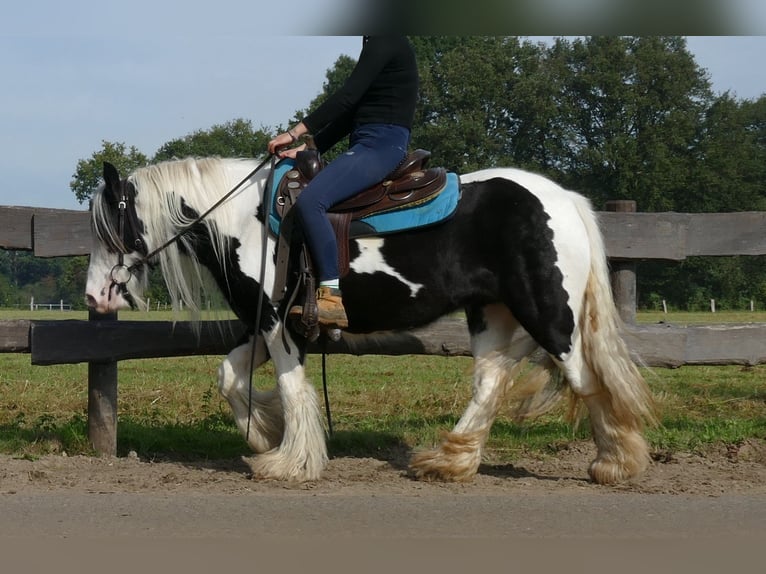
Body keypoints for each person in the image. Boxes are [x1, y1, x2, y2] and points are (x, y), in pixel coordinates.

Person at [267, 36, 419, 330]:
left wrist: (295, 132)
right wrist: (313, 146)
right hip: (369, 139)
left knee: (312, 202)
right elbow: (354, 112)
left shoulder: (384, 39)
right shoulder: (380, 42)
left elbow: (347, 97)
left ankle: (332, 297)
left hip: (381, 143)